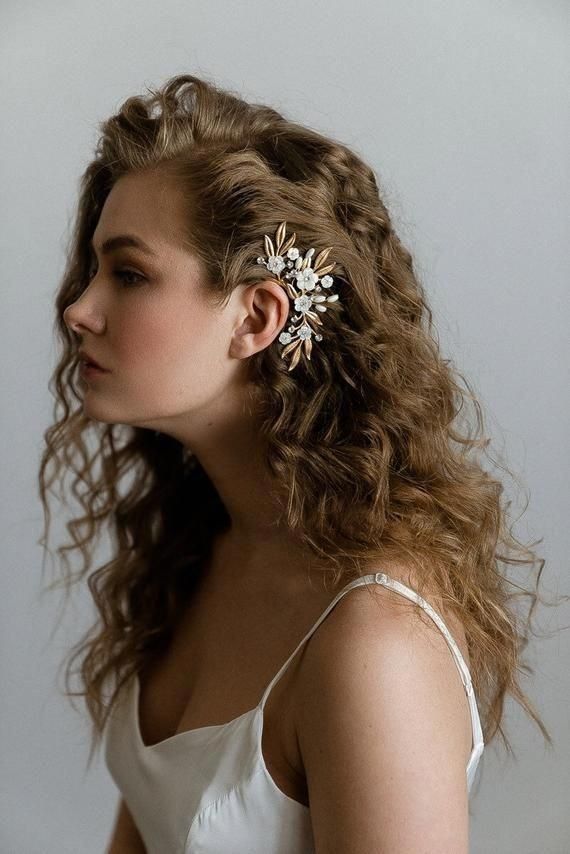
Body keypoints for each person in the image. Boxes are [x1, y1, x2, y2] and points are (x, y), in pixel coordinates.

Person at [39, 73, 551, 853]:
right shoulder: (204, 548)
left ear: (257, 317)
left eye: (129, 273)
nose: (79, 307)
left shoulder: (374, 641)